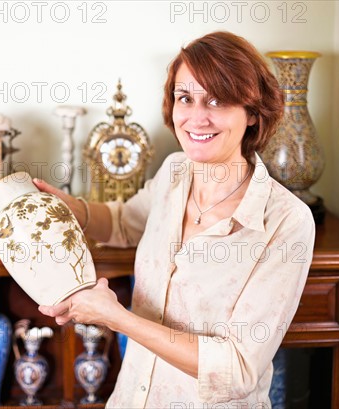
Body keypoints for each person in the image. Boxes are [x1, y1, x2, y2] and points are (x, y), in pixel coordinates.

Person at [35, 31, 316, 408]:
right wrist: (66, 207)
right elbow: (123, 223)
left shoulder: (287, 222)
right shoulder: (173, 172)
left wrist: (117, 318)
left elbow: (237, 369)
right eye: (185, 98)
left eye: (217, 100)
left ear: (252, 112)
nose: (197, 117)